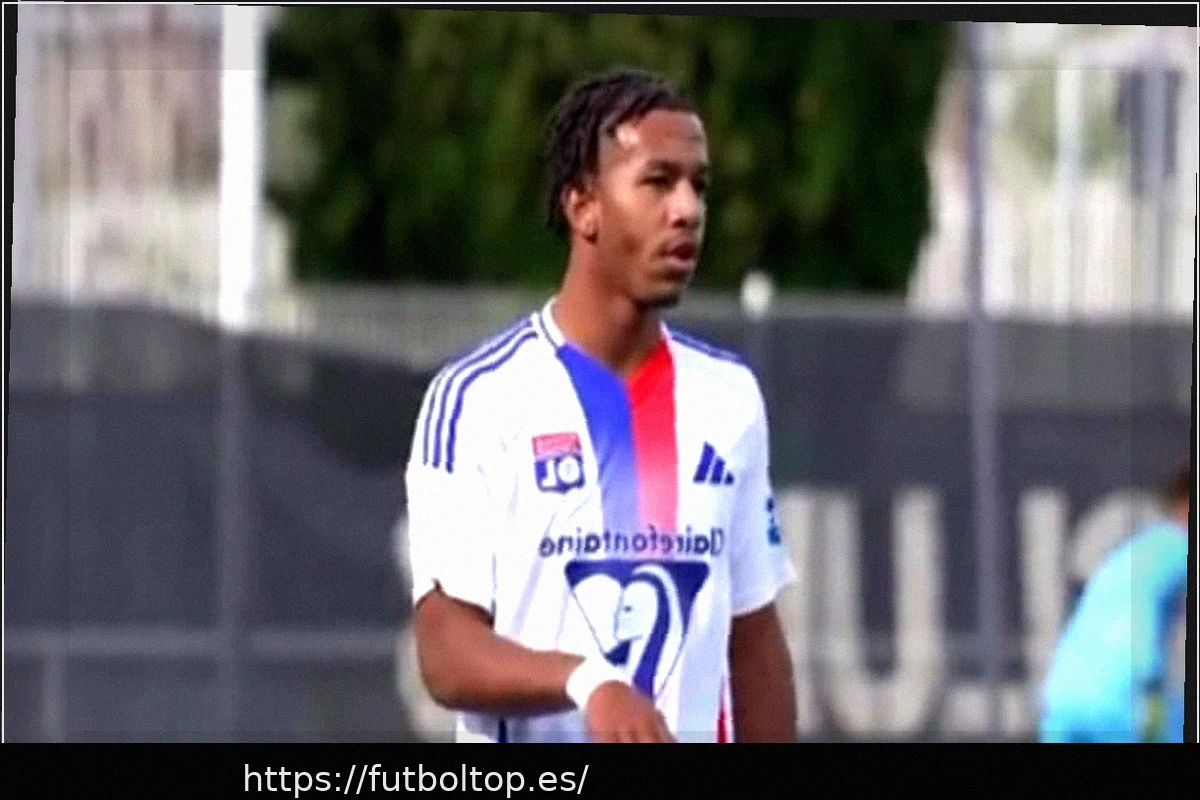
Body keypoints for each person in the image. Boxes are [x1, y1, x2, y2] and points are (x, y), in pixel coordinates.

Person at [403, 68, 797, 743]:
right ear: (583, 206)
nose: (687, 209)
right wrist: (588, 681)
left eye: (698, 185)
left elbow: (754, 640)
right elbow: (444, 653)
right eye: (658, 181)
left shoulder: (728, 400)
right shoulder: (478, 399)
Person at [1039, 462, 1191, 742]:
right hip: (1125, 698)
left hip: (1063, 695)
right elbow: (1138, 612)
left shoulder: (1136, 548)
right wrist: (1148, 675)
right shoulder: (1179, 545)